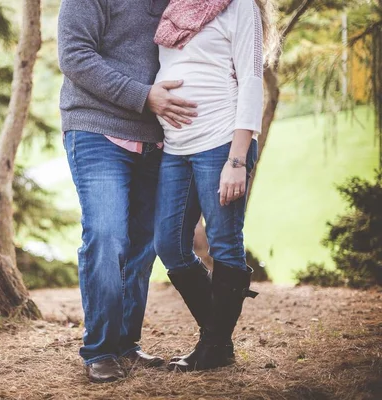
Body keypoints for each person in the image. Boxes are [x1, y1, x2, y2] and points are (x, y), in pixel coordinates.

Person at [57, 0, 198, 383]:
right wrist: (143, 95)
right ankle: (99, 349)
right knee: (106, 234)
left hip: (157, 138)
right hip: (96, 126)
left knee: (142, 244)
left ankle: (125, 343)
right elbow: (73, 56)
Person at [153, 0, 278, 372]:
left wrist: (237, 160)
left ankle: (213, 347)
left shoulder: (240, 7)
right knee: (170, 244)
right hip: (176, 147)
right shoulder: (173, 6)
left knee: (224, 242)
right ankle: (218, 340)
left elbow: (252, 81)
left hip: (222, 141)